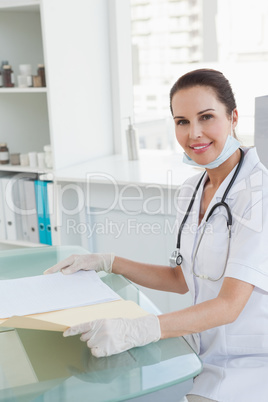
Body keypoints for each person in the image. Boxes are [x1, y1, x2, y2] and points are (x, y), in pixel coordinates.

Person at [44, 69, 268, 402]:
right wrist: (109, 261)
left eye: (206, 117)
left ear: (233, 117)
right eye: (182, 121)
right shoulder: (192, 190)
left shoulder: (258, 192)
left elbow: (228, 305)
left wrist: (139, 329)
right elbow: (182, 278)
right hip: (198, 350)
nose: (194, 133)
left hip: (250, 364)